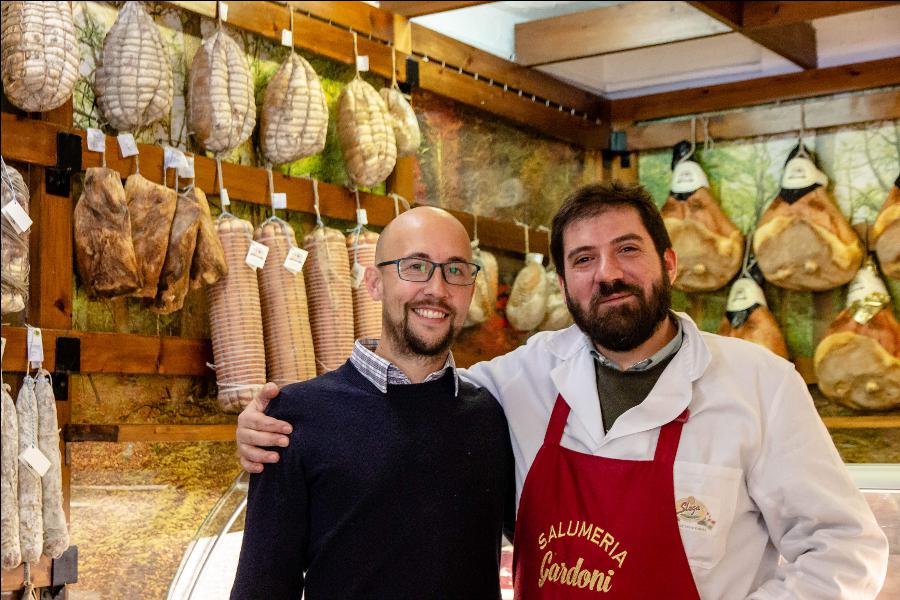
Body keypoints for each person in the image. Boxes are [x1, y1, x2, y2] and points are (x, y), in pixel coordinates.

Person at [237, 182, 889, 598]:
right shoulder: (515, 380)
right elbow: (406, 400)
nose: (607, 274)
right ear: (567, 279)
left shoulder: (759, 384)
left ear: (669, 263)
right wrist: (272, 427)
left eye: (628, 250)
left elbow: (845, 549)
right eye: (583, 259)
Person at [230, 207, 515, 599]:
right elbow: (262, 588)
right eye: (415, 266)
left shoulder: (491, 415)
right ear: (374, 283)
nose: (437, 288)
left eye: (455, 270)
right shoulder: (293, 418)